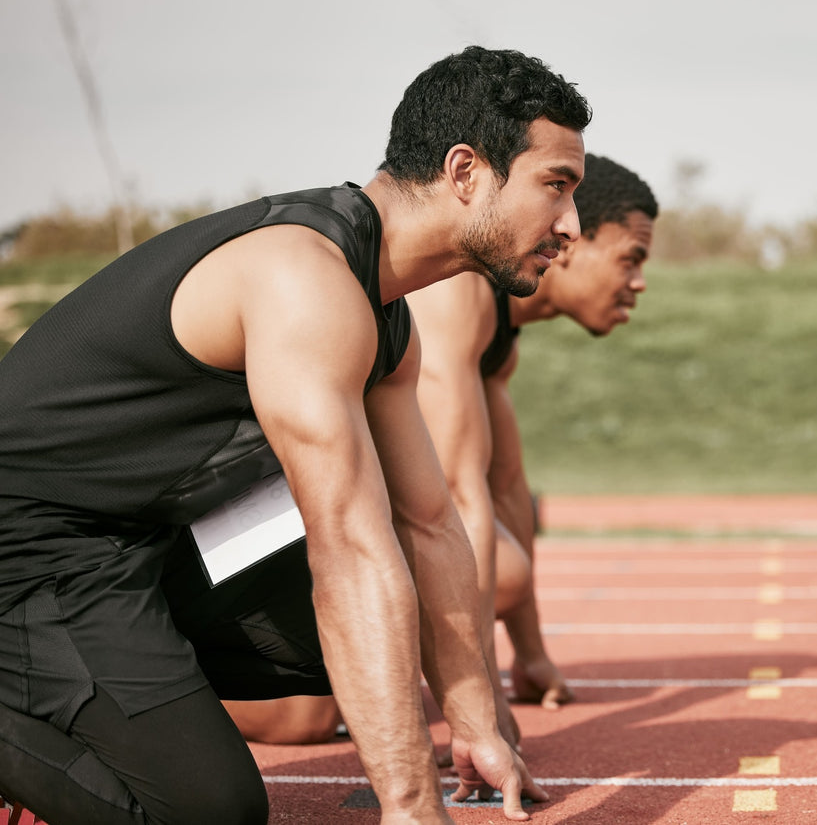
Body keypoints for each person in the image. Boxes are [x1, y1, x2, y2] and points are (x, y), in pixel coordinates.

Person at [0, 45, 590, 825]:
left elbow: (429, 523)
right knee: (211, 811)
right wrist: (412, 807)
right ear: (465, 170)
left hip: (136, 542)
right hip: (32, 551)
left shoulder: (384, 311)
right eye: (556, 186)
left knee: (389, 609)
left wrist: (474, 718)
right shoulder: (301, 278)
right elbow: (344, 546)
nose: (571, 224)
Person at [224, 154, 658, 749]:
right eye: (630, 259)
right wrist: (477, 710)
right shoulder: (461, 294)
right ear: (578, 243)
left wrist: (528, 657)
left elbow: (506, 488)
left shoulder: (501, 341)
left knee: (505, 565)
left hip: (329, 509)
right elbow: (454, 496)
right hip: (251, 504)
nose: (638, 283)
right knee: (302, 719)